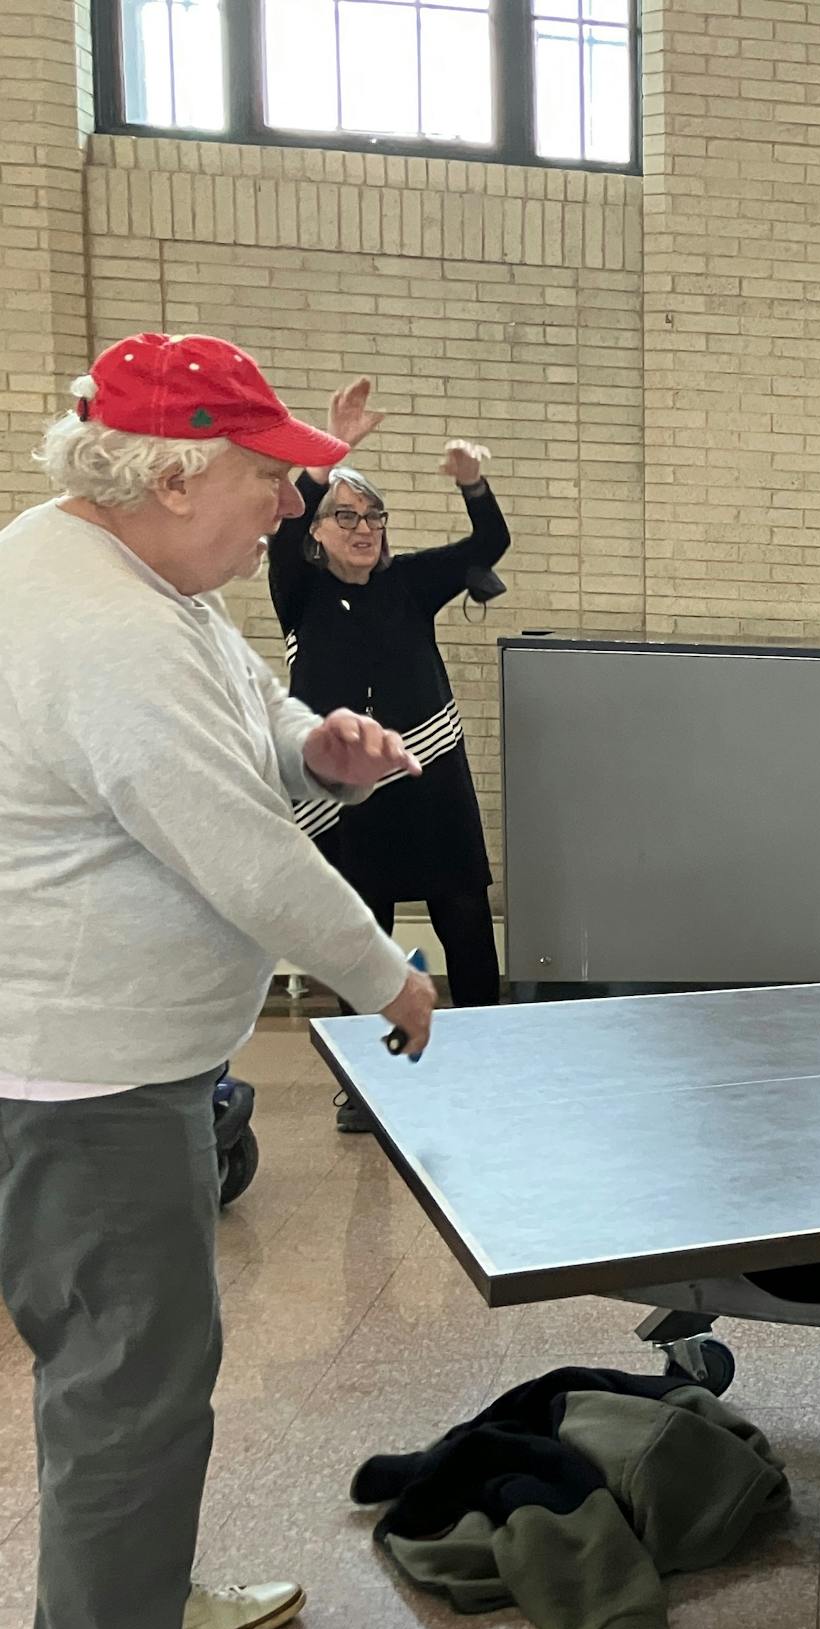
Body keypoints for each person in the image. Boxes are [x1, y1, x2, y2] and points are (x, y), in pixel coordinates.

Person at [0, 333, 437, 1629]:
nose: (292, 505)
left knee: (148, 1368)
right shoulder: (95, 626)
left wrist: (321, 742)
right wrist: (387, 975)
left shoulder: (139, 576)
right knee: (127, 1381)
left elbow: (249, 707)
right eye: (269, 476)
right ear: (177, 474)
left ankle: (137, 1602)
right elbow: (239, 849)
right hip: (82, 1078)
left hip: (135, 1062)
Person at [266, 379, 508, 1130]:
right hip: (345, 790)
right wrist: (330, 451)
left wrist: (472, 484)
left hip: (430, 773)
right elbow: (283, 531)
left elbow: (488, 546)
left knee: (463, 912)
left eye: (373, 516)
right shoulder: (298, 590)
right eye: (346, 515)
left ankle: (490, 1060)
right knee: (360, 927)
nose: (363, 528)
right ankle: (370, 1082)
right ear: (317, 532)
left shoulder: (408, 583)